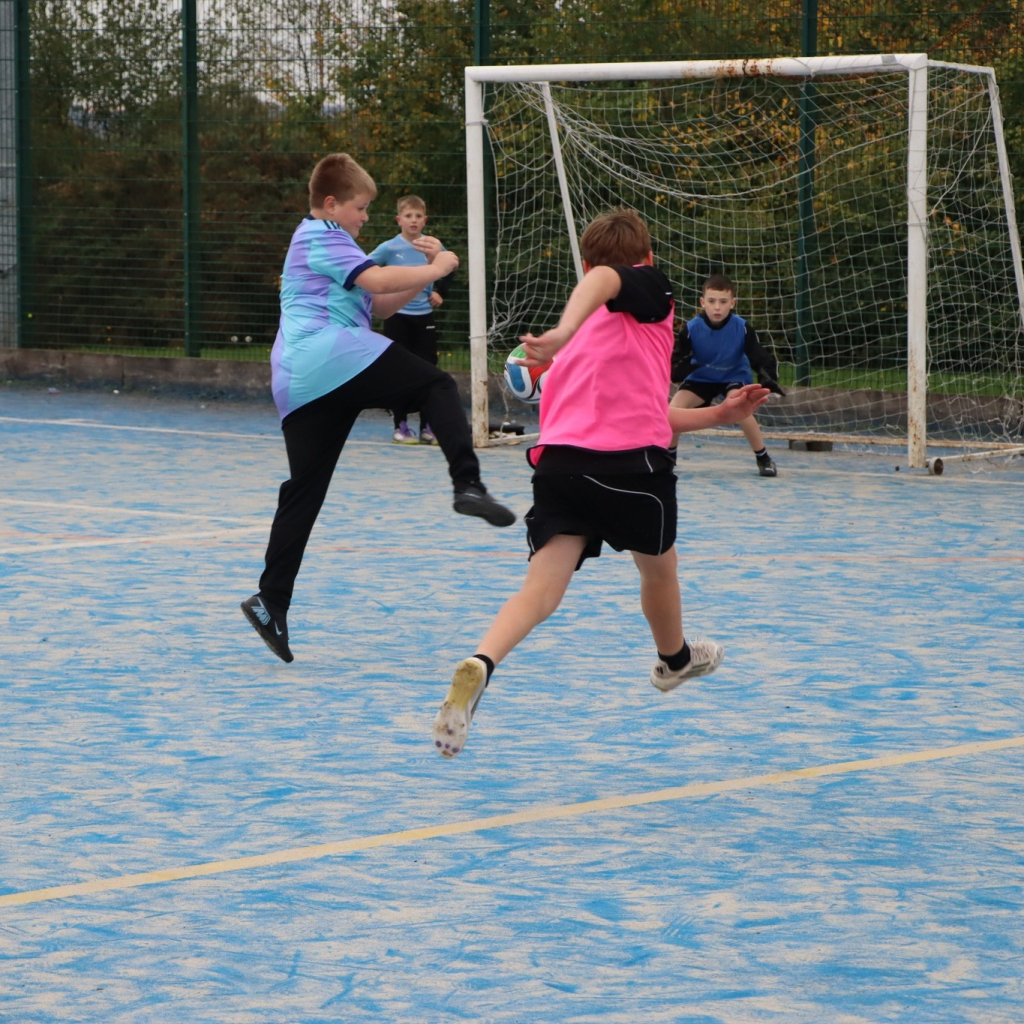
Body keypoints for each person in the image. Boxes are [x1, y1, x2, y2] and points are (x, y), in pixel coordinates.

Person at [432, 208, 770, 758]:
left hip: (561, 468)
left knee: (539, 592)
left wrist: (717, 416)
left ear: (582, 261)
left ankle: (482, 662)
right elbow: (609, 279)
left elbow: (644, 411)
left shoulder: (575, 350)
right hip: (631, 469)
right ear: (649, 263)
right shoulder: (648, 295)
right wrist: (562, 329)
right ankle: (675, 660)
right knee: (659, 569)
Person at [241, 153, 516, 664]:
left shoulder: (333, 244)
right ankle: (468, 485)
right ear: (331, 204)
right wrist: (439, 266)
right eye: (361, 207)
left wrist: (424, 276)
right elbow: (374, 283)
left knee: (303, 491)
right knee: (435, 384)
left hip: (301, 379)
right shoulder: (320, 234)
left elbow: (380, 304)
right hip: (330, 353)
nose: (367, 216)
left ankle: (270, 601)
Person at [670, 273, 786, 477]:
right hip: (700, 378)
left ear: (732, 303)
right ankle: (668, 458)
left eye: (723, 302)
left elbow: (759, 356)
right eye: (712, 301)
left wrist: (767, 377)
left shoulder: (741, 328)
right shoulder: (690, 329)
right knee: (674, 408)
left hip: (733, 377)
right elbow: (679, 359)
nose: (717, 307)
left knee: (740, 407)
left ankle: (763, 458)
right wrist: (677, 370)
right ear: (702, 302)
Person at [368, 195, 452, 445]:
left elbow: (449, 267)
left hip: (423, 318)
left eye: (418, 216)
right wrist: (381, 291)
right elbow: (364, 269)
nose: (413, 221)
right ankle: (401, 426)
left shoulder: (433, 247)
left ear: (424, 220)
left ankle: (428, 426)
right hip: (397, 318)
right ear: (399, 220)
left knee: (429, 370)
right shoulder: (389, 248)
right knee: (398, 370)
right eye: (408, 216)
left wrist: (440, 292)